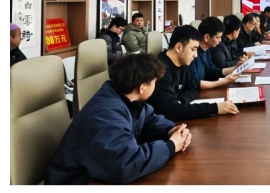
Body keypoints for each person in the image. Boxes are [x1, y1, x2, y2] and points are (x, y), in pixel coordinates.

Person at [44, 54, 191, 184]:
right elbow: (125, 165)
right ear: (142, 87)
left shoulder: (127, 97)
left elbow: (149, 119)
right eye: (154, 82)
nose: (155, 85)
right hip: (76, 182)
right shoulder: (106, 115)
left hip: (95, 174)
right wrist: (170, 147)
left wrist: (169, 131)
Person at [149, 26, 240, 121]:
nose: (196, 55)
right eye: (193, 49)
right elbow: (171, 111)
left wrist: (180, 102)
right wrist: (215, 108)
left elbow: (193, 88)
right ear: (179, 47)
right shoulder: (160, 70)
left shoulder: (182, 63)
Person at [187, 17, 241, 90]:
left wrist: (234, 68)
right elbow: (195, 83)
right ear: (206, 37)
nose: (220, 40)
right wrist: (224, 81)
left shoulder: (207, 49)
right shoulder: (192, 54)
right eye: (218, 37)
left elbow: (211, 70)